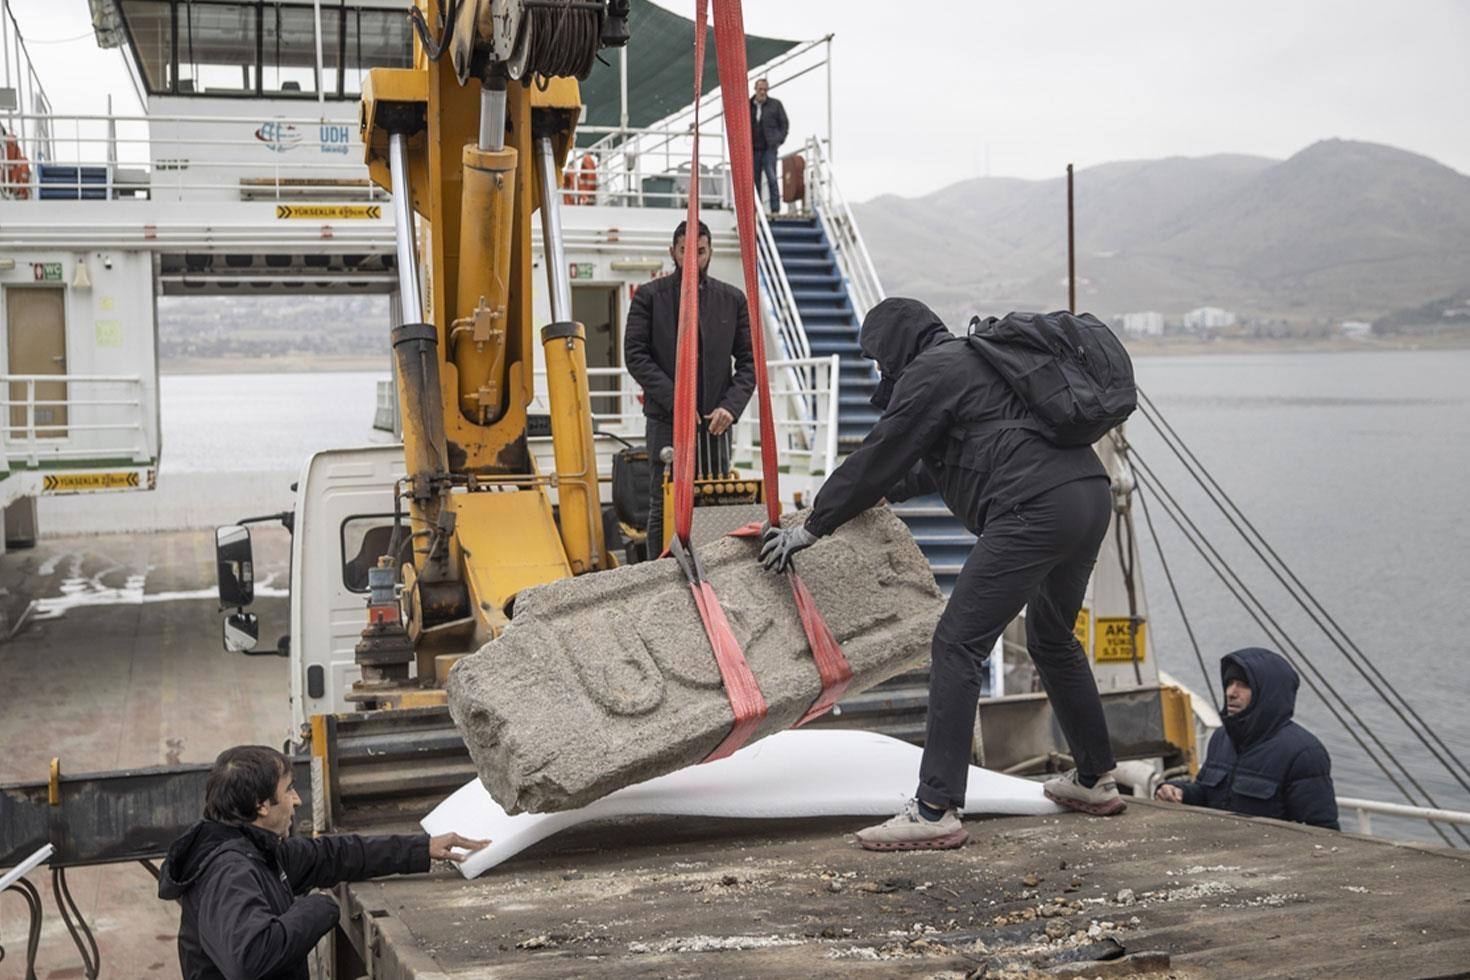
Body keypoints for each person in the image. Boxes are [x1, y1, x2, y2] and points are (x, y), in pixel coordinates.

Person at [759, 297, 1123, 851]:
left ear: (896, 344)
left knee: (957, 644)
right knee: (1051, 639)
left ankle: (935, 809)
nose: (880, 370)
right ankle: (1096, 778)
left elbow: (885, 448)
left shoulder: (934, 368)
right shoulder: (980, 364)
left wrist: (814, 525)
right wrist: (879, 494)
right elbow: (940, 462)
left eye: (878, 358)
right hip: (1089, 498)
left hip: (1034, 508)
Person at [158, 745, 488, 980]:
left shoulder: (256, 850)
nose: (297, 800)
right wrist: (319, 908)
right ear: (261, 805)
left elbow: (333, 854)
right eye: (289, 790)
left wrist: (421, 847)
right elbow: (250, 957)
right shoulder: (229, 872)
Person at [624, 219, 756, 554]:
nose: (693, 259)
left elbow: (749, 362)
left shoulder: (733, 300)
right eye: (686, 251)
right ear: (673, 252)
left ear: (710, 252)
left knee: (713, 499)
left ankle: (710, 570)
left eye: (700, 251)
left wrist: (730, 407)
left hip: (715, 424)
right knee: (662, 501)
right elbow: (635, 355)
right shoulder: (649, 297)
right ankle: (659, 573)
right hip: (665, 421)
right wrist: (677, 401)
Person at [1155, 648, 1339, 830]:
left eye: (1243, 685)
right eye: (1229, 683)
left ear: (1268, 693)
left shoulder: (1304, 753)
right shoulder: (1221, 738)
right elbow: (1206, 795)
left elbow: (1323, 831)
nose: (1231, 692)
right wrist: (1179, 791)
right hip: (1218, 845)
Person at [749, 78, 789, 215]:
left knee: (772, 177)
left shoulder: (775, 105)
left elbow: (784, 123)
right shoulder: (748, 105)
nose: (763, 92)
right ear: (755, 89)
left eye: (765, 89)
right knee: (755, 179)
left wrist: (779, 140)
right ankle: (756, 209)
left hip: (769, 147)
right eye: (760, 89)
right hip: (754, 149)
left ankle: (775, 208)